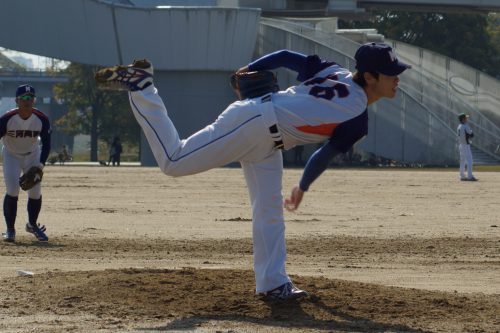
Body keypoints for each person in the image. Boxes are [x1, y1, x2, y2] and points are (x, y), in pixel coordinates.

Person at [95, 42, 410, 300]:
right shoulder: (358, 118)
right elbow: (322, 156)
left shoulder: (333, 70)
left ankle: (274, 283)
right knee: (173, 161)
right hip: (254, 123)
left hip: (267, 139)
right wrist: (303, 186)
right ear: (369, 77)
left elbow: (285, 56)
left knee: (269, 210)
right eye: (391, 74)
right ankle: (142, 87)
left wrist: (253, 68)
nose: (397, 79)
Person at [0, 84, 51, 242]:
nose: (27, 101)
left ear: (34, 100)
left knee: (35, 192)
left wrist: (40, 166)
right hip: (11, 155)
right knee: (13, 190)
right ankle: (10, 230)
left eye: (30, 98)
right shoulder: (7, 119)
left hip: (32, 156)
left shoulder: (41, 119)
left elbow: (47, 144)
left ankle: (32, 225)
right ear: (17, 101)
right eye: (24, 98)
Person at [457, 113, 477, 181]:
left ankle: (462, 176)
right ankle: (470, 176)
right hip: (465, 145)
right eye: (465, 118)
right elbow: (471, 135)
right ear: (462, 119)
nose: (466, 119)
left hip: (461, 145)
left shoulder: (459, 126)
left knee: (462, 161)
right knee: (469, 160)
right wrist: (471, 133)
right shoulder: (465, 126)